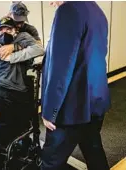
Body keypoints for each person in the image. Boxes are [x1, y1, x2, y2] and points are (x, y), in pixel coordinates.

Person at [40, 2, 110, 170]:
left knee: (51, 162)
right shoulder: (96, 10)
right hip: (96, 100)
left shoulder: (68, 10)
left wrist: (51, 111)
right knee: (93, 151)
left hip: (72, 106)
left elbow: (61, 67)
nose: (52, 2)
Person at [0, 16, 44, 145]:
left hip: (16, 91)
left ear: (15, 30)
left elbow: (39, 49)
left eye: (8, 29)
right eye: (1, 30)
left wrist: (14, 49)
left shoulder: (22, 37)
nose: (4, 32)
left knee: (18, 124)